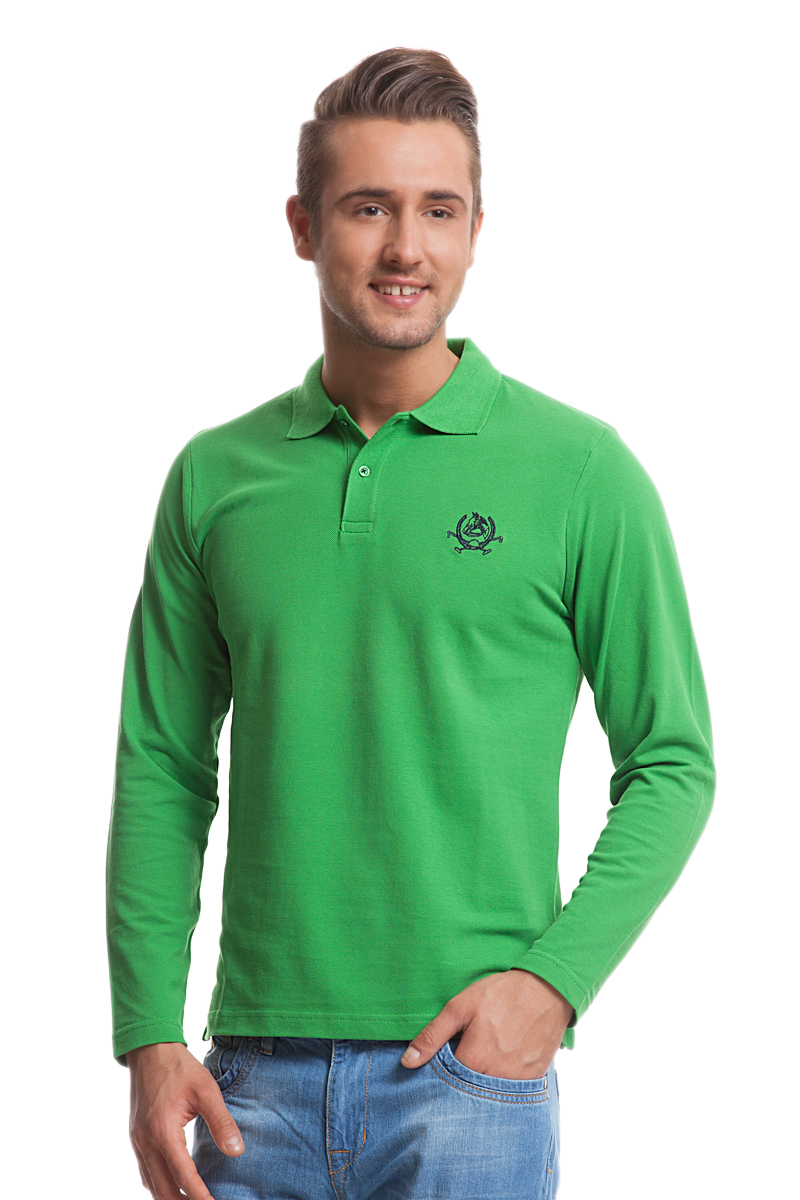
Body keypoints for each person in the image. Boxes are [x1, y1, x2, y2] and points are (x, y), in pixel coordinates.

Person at [106, 46, 716, 1200]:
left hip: (467, 1082)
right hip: (249, 1085)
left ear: (477, 229)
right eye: (367, 207)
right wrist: (147, 1033)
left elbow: (672, 760)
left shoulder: (579, 472)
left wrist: (550, 986)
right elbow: (161, 763)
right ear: (303, 226)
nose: (405, 248)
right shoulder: (215, 478)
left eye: (438, 210)